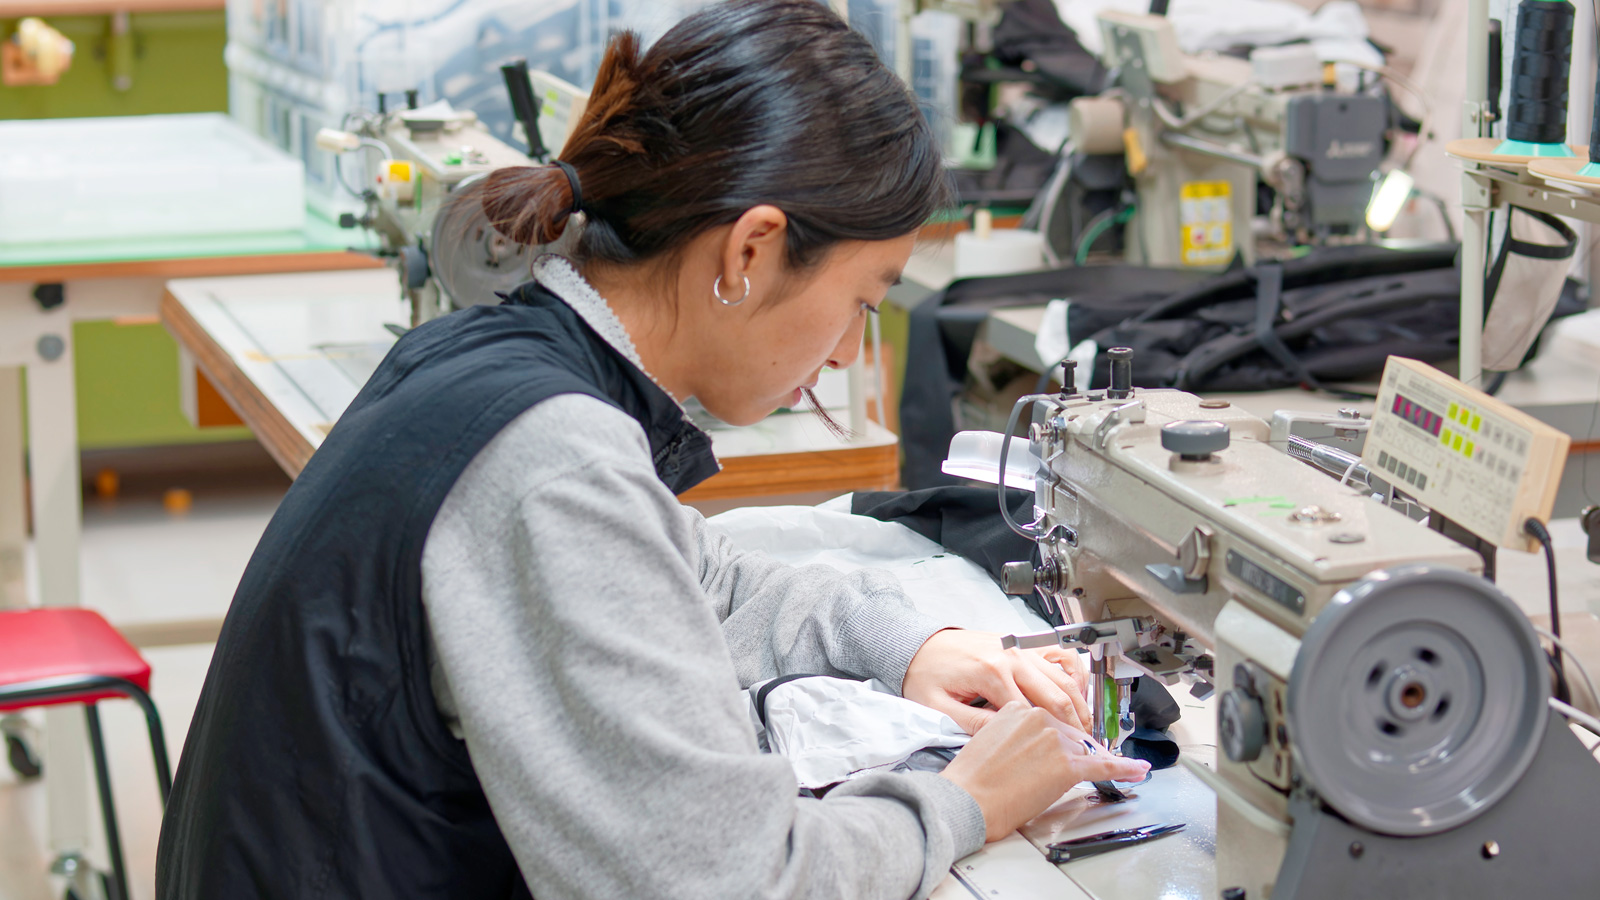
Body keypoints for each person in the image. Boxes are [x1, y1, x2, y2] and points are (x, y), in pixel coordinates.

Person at [155, 2, 1148, 898]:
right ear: (751, 250)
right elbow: (728, 882)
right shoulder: (555, 459)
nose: (852, 349)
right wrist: (967, 800)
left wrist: (907, 644)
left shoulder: (493, 357)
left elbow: (685, 577)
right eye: (861, 301)